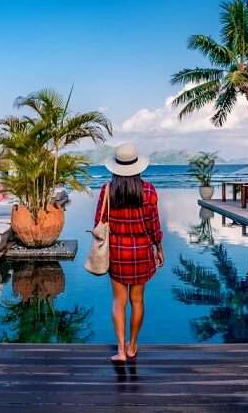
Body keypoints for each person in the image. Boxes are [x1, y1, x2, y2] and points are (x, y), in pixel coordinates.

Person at [95, 142, 163, 362]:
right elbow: (154, 225)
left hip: (116, 252)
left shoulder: (107, 190)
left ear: (116, 166)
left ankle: (121, 351)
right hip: (142, 252)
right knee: (137, 301)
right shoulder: (149, 190)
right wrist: (158, 247)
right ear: (138, 166)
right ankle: (133, 346)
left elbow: (99, 222)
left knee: (118, 301)